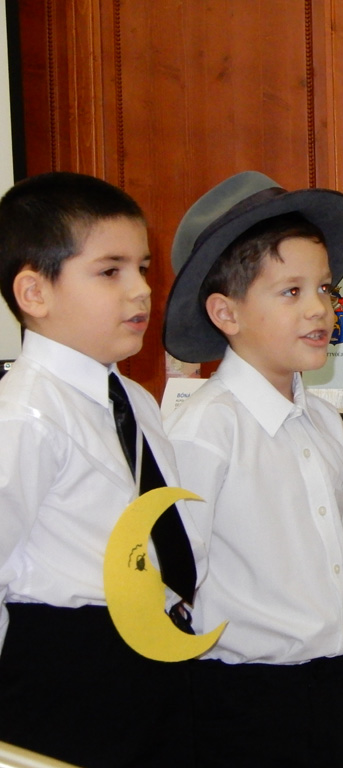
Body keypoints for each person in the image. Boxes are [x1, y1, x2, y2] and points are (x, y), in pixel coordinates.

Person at [0, 172, 204, 767]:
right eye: (110, 271)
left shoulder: (133, 399)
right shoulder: (25, 414)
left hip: (150, 653)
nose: (141, 290)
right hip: (65, 665)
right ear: (35, 292)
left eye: (142, 268)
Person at [162, 171, 343, 767]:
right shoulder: (206, 429)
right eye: (290, 292)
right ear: (225, 312)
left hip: (326, 681)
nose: (320, 309)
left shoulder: (324, 423)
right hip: (238, 694)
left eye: (324, 288)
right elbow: (172, 579)